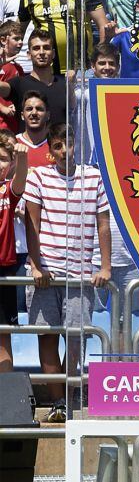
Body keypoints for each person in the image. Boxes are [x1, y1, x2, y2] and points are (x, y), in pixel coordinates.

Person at [25, 122, 111, 422]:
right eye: (58, 146)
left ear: (77, 146)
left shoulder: (95, 177)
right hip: (46, 273)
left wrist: (105, 265)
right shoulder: (38, 177)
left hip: (79, 274)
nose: (64, 151)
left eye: (68, 144)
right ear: (50, 151)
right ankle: (59, 401)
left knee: (76, 340)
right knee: (47, 338)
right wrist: (36, 265)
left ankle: (69, 395)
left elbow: (103, 224)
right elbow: (31, 223)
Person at [0, 133, 27, 373]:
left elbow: (21, 181)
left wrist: (22, 159)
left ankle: (5, 396)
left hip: (5, 271)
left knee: (3, 334)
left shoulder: (8, 190)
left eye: (3, 159)